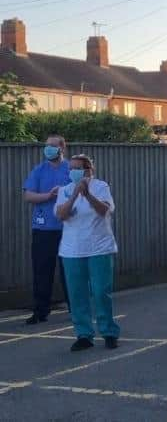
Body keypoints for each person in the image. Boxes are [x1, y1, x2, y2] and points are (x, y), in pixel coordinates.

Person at [55, 154, 120, 352]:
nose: (74, 172)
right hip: (72, 250)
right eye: (71, 169)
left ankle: (108, 331)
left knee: (101, 291)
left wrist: (88, 195)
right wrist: (75, 194)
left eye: (79, 169)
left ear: (89, 171)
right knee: (77, 294)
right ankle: (83, 334)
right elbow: (61, 215)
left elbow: (104, 210)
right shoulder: (65, 190)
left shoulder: (101, 187)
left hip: (99, 248)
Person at [23, 135, 70, 325]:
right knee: (42, 270)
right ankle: (41, 310)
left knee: (70, 271)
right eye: (46, 146)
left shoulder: (71, 169)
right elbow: (28, 195)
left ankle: (76, 309)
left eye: (52, 146)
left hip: (68, 228)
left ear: (62, 148)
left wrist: (65, 193)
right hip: (43, 228)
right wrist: (48, 195)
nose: (48, 149)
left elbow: (82, 191)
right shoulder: (39, 170)